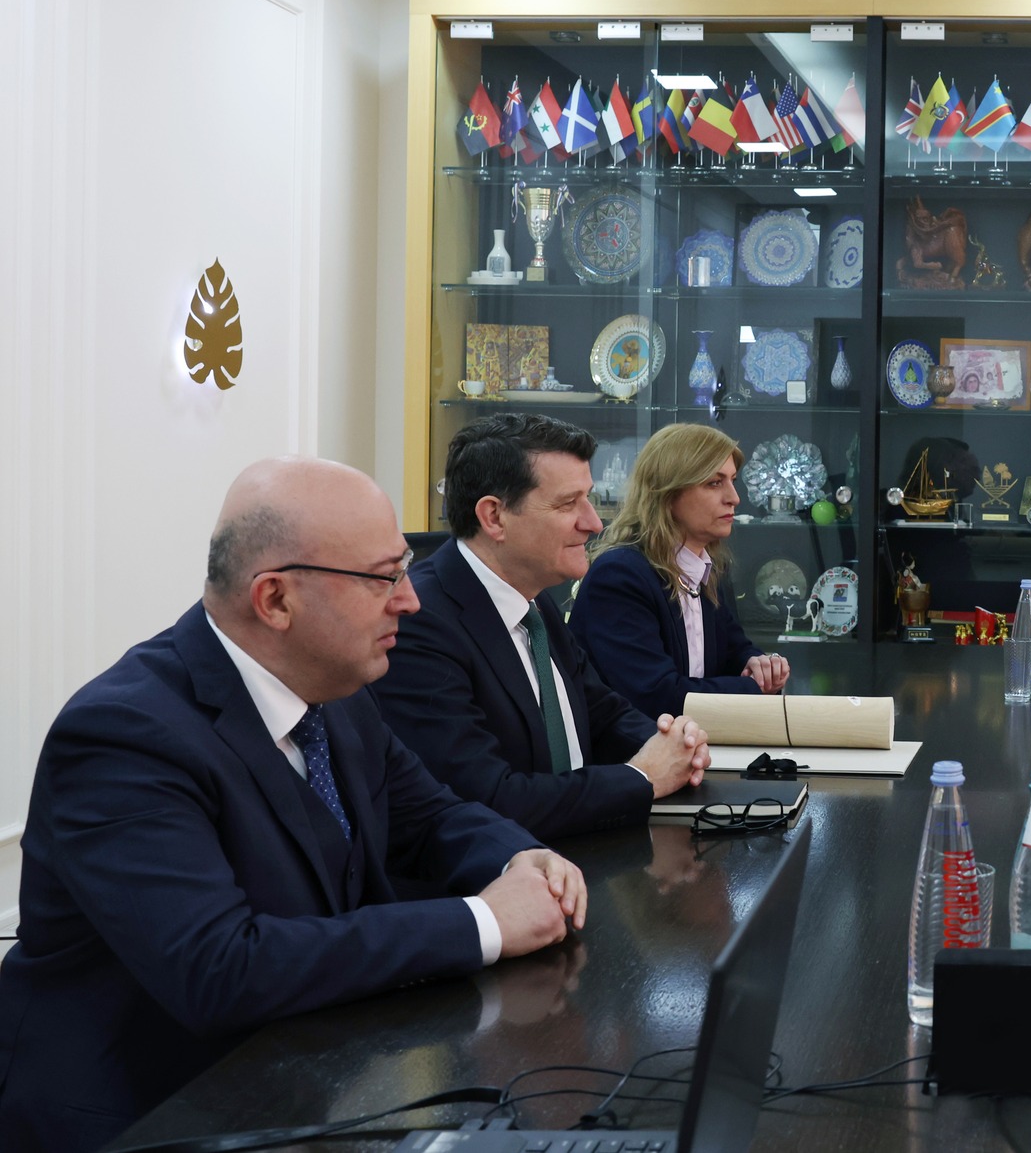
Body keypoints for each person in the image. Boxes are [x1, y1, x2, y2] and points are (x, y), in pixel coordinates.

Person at [0, 458, 588, 1153]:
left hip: (298, 1088)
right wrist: (485, 921)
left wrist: (521, 858)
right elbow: (221, 969)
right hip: (142, 1119)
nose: (410, 600)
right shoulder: (123, 735)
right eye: (384, 577)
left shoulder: (335, 692)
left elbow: (432, 815)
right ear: (275, 599)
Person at [376, 414, 710, 843]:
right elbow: (487, 799)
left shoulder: (533, 598)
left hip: (580, 849)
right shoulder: (419, 622)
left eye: (589, 499)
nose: (594, 523)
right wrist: (643, 777)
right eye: (568, 504)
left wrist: (675, 744)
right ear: (494, 516)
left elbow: (602, 713)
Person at [574, 423, 790, 718]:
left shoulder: (710, 570)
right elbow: (658, 697)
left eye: (732, 481)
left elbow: (735, 650)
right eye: (714, 483)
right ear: (668, 493)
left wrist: (761, 665)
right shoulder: (619, 576)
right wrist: (755, 689)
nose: (734, 498)